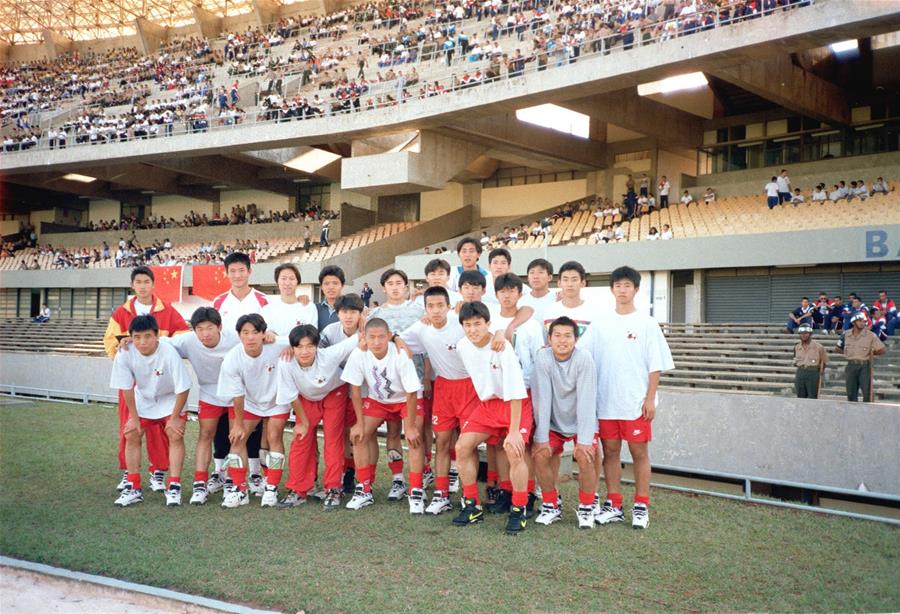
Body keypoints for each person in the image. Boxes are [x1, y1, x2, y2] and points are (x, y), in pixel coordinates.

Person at [580, 267, 675, 530]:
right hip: (607, 403)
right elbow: (581, 355)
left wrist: (649, 398)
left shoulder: (646, 323)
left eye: (627, 285)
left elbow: (655, 364)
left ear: (635, 289)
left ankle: (641, 506)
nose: (622, 290)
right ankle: (614, 505)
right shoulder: (600, 323)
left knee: (639, 452)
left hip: (635, 403)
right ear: (612, 289)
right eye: (618, 285)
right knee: (610, 452)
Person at [104, 266, 189, 493]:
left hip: (160, 378)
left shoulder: (167, 310)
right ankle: (128, 472)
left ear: (153, 284)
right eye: (138, 282)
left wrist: (162, 344)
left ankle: (158, 471)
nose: (142, 286)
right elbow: (109, 341)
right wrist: (122, 344)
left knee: (161, 429)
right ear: (133, 285)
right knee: (130, 426)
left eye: (146, 282)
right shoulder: (121, 312)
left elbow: (182, 336)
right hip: (133, 382)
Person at [452, 301, 531, 534]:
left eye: (478, 324)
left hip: (514, 404)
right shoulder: (462, 346)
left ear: (488, 323)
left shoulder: (501, 346)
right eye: (468, 325)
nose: (473, 329)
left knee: (514, 449)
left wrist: (514, 431)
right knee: (462, 447)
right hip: (487, 407)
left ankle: (519, 509)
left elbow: (517, 391)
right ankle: (472, 504)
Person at [399, 286, 479, 514]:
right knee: (442, 443)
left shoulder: (460, 321)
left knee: (467, 446)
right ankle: (441, 493)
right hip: (443, 388)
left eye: (440, 306)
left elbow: (487, 330)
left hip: (468, 387)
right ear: (425, 309)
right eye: (430, 306)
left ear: (448, 306)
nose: (435, 311)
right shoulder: (421, 327)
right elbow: (396, 339)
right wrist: (398, 344)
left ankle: (470, 497)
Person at [342, 319, 424, 512]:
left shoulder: (400, 355)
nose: (377, 342)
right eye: (372, 337)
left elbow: (411, 392)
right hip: (379, 401)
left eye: (381, 337)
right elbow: (355, 390)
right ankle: (364, 488)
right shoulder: (358, 354)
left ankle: (415, 490)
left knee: (414, 438)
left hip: (406, 399)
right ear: (364, 338)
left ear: (389, 336)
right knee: (359, 436)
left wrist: (411, 427)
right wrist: (360, 423)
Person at [277, 324, 361, 511]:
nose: (305, 351)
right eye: (299, 347)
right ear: (293, 348)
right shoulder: (286, 362)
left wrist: (394, 336)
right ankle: (298, 489)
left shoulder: (329, 354)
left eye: (310, 346)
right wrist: (304, 423)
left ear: (317, 346)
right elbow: (290, 395)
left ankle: (333, 488)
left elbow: (359, 337)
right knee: (301, 440)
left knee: (333, 439)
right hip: (305, 397)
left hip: (333, 391)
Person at [110, 315, 191, 507]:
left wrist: (174, 419)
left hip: (171, 398)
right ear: (130, 337)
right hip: (144, 399)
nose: (142, 342)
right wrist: (134, 418)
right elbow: (126, 387)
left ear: (157, 335)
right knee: (131, 433)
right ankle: (134, 486)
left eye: (147, 336)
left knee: (174, 434)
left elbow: (183, 387)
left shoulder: (168, 352)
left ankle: (174, 487)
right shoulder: (125, 351)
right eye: (137, 337)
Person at [162, 307, 240, 505]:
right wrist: (128, 341)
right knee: (205, 435)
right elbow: (160, 342)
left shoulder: (235, 338)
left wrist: (271, 336)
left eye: (210, 328)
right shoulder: (188, 340)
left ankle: (232, 481)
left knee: (236, 437)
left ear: (219, 327)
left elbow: (258, 340)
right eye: (200, 329)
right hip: (208, 392)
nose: (205, 333)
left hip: (236, 393)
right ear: (194, 330)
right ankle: (200, 484)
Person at [216, 314, 293, 508]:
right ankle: (240, 489)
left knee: (274, 436)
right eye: (245, 333)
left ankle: (272, 488)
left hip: (277, 401)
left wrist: (289, 345)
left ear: (263, 333)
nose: (250, 337)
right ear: (239, 335)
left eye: (255, 332)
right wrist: (239, 424)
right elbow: (237, 394)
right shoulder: (232, 358)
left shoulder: (278, 344)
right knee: (238, 438)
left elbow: (302, 342)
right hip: (249, 402)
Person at [531, 316, 598, 529]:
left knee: (585, 456)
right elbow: (542, 398)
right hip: (553, 421)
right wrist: (541, 438)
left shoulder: (584, 358)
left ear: (575, 339)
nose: (562, 340)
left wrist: (585, 440)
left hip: (581, 420)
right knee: (540, 454)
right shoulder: (543, 357)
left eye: (568, 335)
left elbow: (587, 400)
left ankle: (587, 506)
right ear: (549, 339)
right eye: (557, 335)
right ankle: (551, 503)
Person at [212, 252, 269, 494]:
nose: (237, 275)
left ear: (249, 271)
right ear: (226, 273)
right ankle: (220, 472)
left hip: (256, 370)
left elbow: (272, 331)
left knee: (253, 423)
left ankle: (255, 473)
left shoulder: (264, 300)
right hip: (227, 370)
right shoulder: (218, 302)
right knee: (224, 423)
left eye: (241, 270)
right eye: (232, 271)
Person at [368, 269, 427, 502]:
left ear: (405, 286)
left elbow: (425, 344)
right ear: (384, 288)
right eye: (390, 283)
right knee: (393, 432)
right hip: (388, 386)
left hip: (416, 379)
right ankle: (397, 479)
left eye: (399, 283)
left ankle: (420, 479)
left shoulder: (418, 311)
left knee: (417, 432)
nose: (395, 287)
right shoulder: (376, 313)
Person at [835, 312, 886, 402]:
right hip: (850, 366)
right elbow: (837, 348)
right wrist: (848, 353)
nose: (863, 323)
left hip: (865, 366)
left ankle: (869, 412)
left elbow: (882, 350)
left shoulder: (871, 335)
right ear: (854, 322)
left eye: (864, 321)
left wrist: (870, 353)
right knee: (851, 392)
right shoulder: (845, 334)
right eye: (860, 321)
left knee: (867, 392)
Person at [540, 261, 595, 337]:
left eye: (574, 280)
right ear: (559, 283)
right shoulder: (549, 311)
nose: (570, 284)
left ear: (583, 283)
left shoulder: (594, 313)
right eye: (565, 280)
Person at [261, 263, 317, 337]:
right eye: (283, 278)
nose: (287, 283)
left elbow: (312, 336)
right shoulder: (267, 309)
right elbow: (264, 335)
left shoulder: (309, 307)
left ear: (298, 282)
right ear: (277, 281)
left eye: (292, 279)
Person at [793, 324, 827, 399]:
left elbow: (824, 362)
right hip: (800, 372)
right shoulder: (797, 347)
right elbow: (795, 360)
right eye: (801, 333)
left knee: (812, 396)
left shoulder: (819, 347)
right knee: (800, 396)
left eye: (806, 333)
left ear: (810, 334)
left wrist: (820, 372)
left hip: (813, 372)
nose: (803, 335)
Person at [519, 259, 555, 324]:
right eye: (532, 272)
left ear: (549, 277)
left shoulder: (557, 299)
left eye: (540, 272)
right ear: (528, 278)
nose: (535, 276)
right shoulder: (521, 302)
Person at [316, 265, 345, 331]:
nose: (331, 287)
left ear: (342, 285)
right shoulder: (314, 309)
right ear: (321, 287)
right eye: (326, 283)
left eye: (335, 283)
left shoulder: (352, 309)